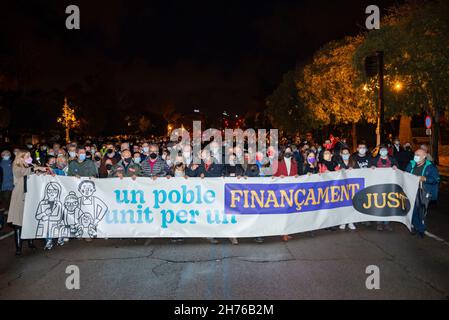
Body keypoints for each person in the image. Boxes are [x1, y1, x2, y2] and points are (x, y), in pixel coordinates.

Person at [7, 151, 44, 255]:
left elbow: (39, 176)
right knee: (18, 222)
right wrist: (35, 168)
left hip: (31, 195)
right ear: (21, 158)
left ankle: (31, 242)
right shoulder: (16, 166)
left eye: (30, 156)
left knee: (30, 220)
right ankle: (18, 248)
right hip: (20, 196)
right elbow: (22, 172)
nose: (30, 158)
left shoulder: (33, 165)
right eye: (27, 156)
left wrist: (41, 171)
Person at [406, 148, 440, 237]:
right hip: (411, 190)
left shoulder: (430, 167)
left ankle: (419, 228)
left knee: (420, 211)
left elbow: (436, 179)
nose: (415, 157)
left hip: (423, 191)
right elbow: (405, 174)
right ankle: (420, 228)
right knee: (411, 210)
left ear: (424, 156)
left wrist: (425, 178)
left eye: (418, 155)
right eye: (415, 154)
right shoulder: (411, 164)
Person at [369, 145, 398, 231]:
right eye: (382, 150)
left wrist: (395, 167)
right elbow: (369, 169)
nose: (383, 151)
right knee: (379, 204)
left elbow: (398, 168)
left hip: (389, 185)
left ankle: (387, 223)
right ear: (379, 151)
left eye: (385, 150)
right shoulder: (374, 160)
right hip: (378, 185)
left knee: (388, 204)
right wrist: (371, 168)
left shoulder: (392, 159)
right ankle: (379, 223)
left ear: (387, 151)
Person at [274, 147, 298, 242]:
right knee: (283, 211)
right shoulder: (278, 162)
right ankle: (283, 232)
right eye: (286, 151)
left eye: (289, 151)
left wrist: (296, 176)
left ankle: (287, 231)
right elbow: (273, 176)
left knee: (289, 211)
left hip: (291, 189)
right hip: (281, 189)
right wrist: (279, 177)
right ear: (283, 152)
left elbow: (296, 174)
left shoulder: (294, 163)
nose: (288, 152)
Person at [0, 150, 14, 230]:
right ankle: (7, 208)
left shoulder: (12, 162)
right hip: (2, 184)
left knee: (7, 197)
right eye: (5, 154)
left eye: (8, 154)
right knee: (3, 198)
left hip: (9, 184)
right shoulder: (1, 163)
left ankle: (9, 210)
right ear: (2, 155)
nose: (6, 155)